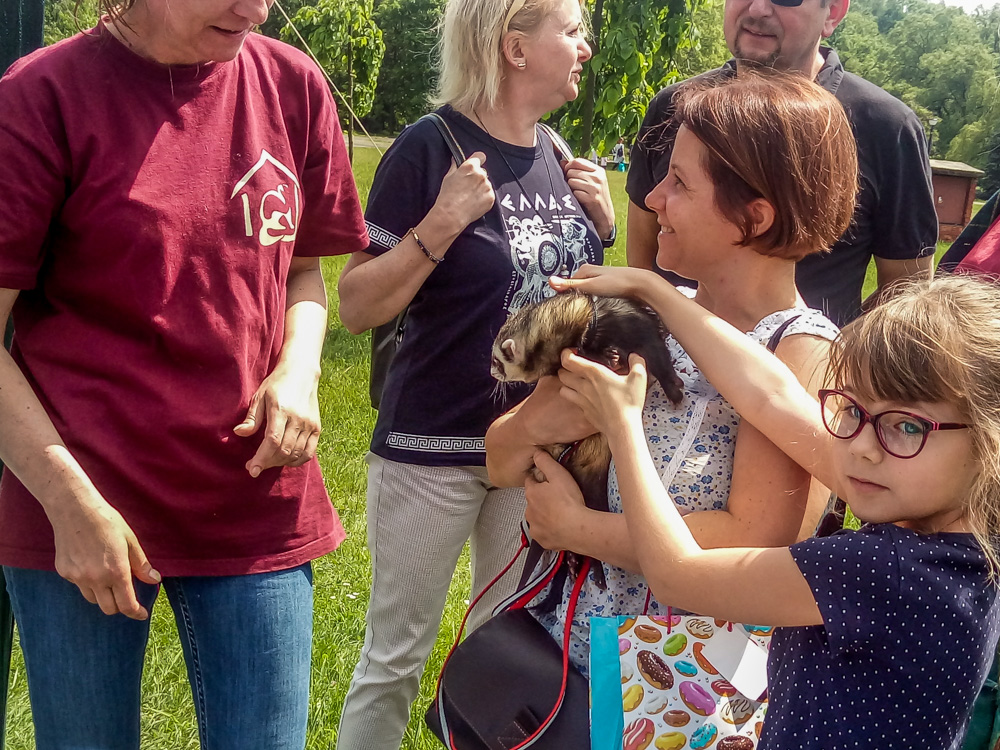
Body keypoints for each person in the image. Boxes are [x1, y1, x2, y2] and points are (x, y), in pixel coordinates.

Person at [0, 1, 369, 747]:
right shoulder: (41, 96)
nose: (255, 9)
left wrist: (299, 368)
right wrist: (68, 502)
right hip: (83, 504)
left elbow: (303, 271)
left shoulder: (292, 84)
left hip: (254, 496)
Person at [486, 71, 854, 674]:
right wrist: (534, 425)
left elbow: (752, 542)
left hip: (677, 688)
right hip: (565, 653)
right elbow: (500, 462)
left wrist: (579, 528)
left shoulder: (798, 351)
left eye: (679, 181)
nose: (652, 198)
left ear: (754, 218)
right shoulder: (641, 318)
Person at [548, 268, 1000, 748]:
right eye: (852, 410)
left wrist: (622, 424)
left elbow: (676, 573)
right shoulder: (959, 539)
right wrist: (654, 290)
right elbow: (771, 396)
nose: (862, 447)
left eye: (907, 426)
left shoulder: (883, 569)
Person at [334, 0, 615, 746]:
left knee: (507, 651)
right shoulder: (431, 149)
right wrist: (439, 225)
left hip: (532, 449)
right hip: (433, 449)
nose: (585, 48)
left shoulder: (558, 152)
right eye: (572, 31)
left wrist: (604, 228)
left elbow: (561, 297)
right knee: (397, 656)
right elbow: (356, 305)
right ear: (515, 49)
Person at [626, 0, 938, 327]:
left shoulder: (886, 127)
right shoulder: (675, 107)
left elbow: (907, 289)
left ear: (832, 12)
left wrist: (824, 350)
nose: (758, 9)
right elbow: (642, 251)